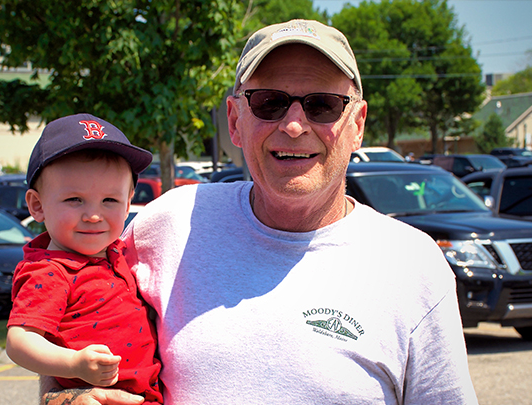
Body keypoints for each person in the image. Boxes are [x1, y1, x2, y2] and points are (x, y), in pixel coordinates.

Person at [42, 20, 478, 404]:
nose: (293, 124)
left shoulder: (413, 264)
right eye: (269, 102)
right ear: (234, 120)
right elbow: (67, 319)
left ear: (357, 124)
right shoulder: (169, 224)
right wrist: (64, 398)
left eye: (322, 104)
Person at [6, 113, 162, 404]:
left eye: (110, 201)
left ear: (129, 202)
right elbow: (19, 342)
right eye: (74, 200)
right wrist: (74, 363)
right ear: (37, 206)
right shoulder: (49, 271)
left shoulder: (118, 252)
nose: (93, 215)